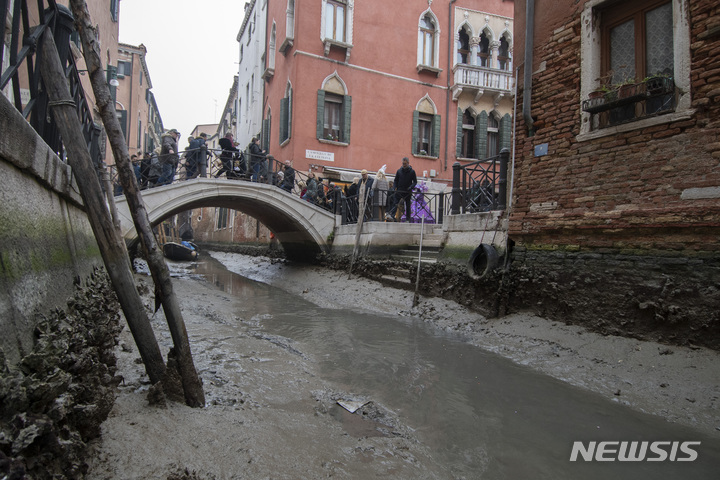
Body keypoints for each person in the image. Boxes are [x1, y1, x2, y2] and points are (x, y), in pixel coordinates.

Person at [394, 157, 417, 222]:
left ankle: (408, 218)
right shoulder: (399, 171)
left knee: (408, 205)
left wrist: (411, 187)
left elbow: (415, 182)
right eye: (403, 163)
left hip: (408, 191)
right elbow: (396, 180)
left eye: (405, 164)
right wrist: (394, 187)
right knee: (396, 203)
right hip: (400, 190)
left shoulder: (412, 172)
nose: (404, 165)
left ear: (408, 163)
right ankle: (394, 216)